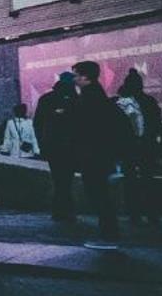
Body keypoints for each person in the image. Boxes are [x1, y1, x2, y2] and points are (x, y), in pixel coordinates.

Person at [72, 62, 126, 248]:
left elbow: (87, 129)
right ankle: (109, 235)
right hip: (100, 154)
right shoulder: (97, 95)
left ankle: (109, 237)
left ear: (85, 77)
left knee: (98, 194)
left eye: (76, 75)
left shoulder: (90, 97)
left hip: (94, 155)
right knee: (100, 194)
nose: (74, 79)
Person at [118, 69, 162, 227]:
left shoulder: (122, 102)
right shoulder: (149, 101)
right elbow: (157, 124)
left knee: (130, 181)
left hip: (127, 148)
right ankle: (152, 213)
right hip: (147, 146)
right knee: (148, 180)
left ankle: (134, 213)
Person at [36, 72, 80, 220]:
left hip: (52, 146)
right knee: (66, 179)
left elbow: (38, 124)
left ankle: (59, 210)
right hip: (71, 146)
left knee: (58, 178)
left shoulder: (46, 99)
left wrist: (42, 145)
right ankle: (66, 209)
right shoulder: (76, 99)